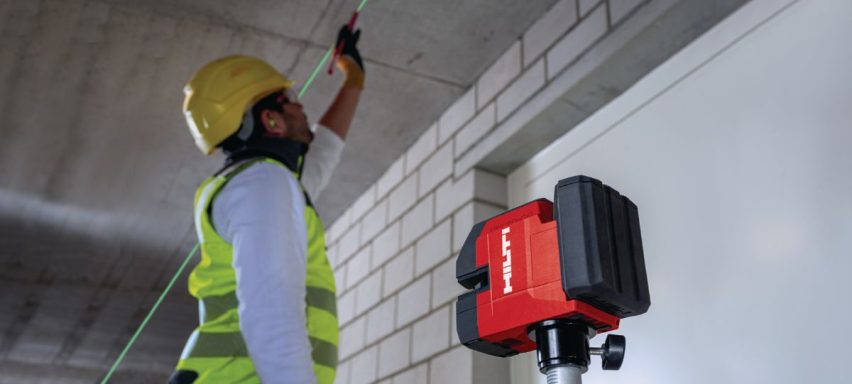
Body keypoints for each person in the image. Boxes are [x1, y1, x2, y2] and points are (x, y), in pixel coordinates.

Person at [170, 26, 364, 384]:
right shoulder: (263, 184)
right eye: (288, 98)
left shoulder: (260, 184)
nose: (300, 103)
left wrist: (353, 81)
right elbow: (271, 311)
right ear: (270, 120)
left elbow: (324, 153)